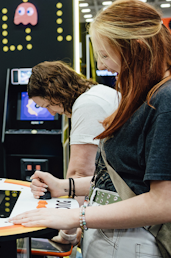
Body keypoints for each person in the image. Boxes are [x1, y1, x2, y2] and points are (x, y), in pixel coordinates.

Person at [9, 0, 171, 257]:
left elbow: (165, 204)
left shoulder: (170, 98)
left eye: (106, 55)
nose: (101, 66)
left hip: (132, 241)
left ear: (136, 48)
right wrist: (65, 187)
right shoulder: (149, 95)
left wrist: (76, 217)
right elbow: (126, 178)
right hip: (114, 237)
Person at [27, 60, 119, 244]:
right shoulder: (98, 92)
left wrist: (67, 233)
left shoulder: (87, 105)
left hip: (115, 220)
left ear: (55, 92)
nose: (51, 113)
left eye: (47, 105)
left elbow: (81, 173)